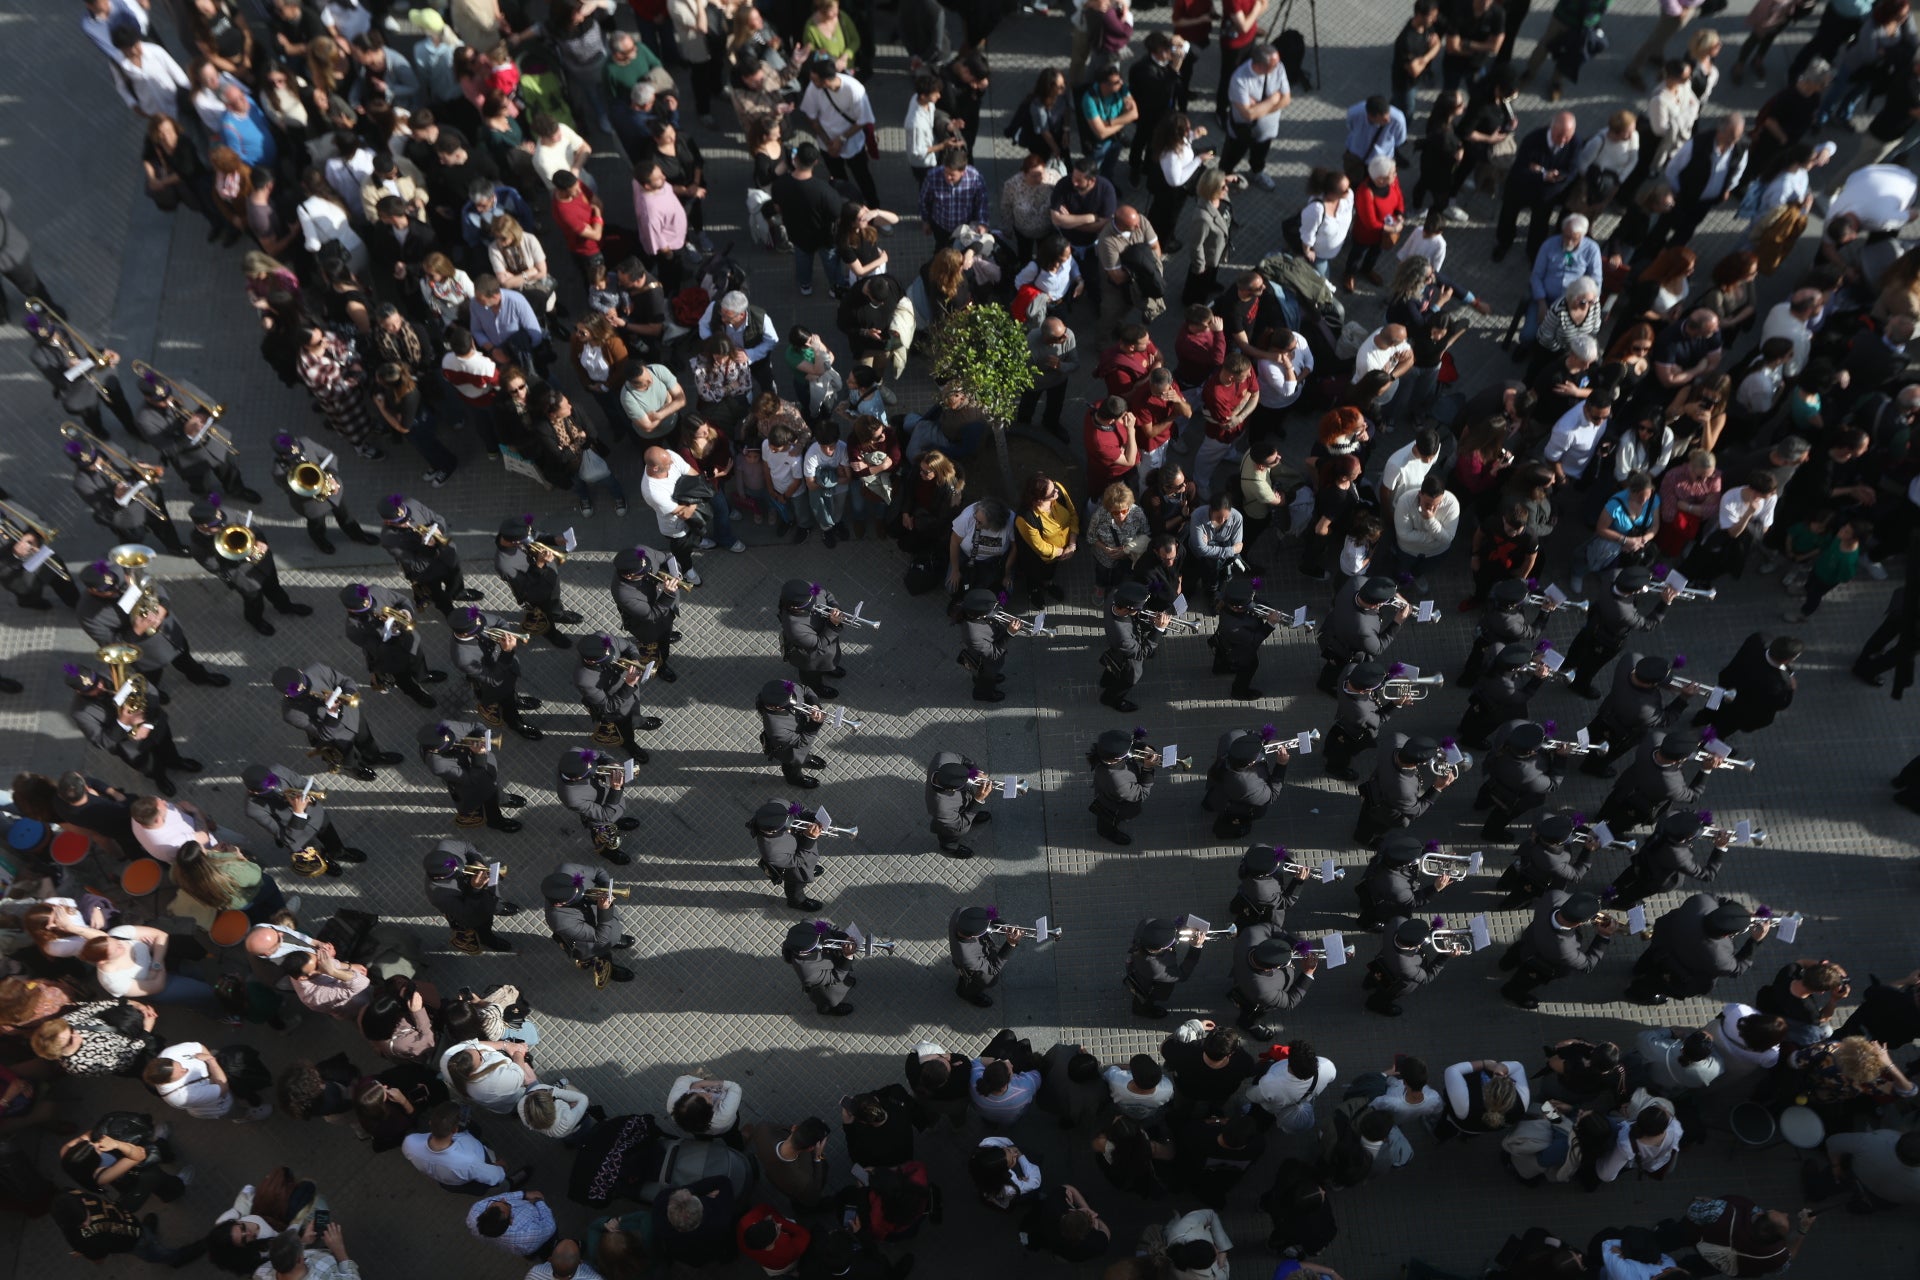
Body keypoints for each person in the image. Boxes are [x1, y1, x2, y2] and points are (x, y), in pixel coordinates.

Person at [1626, 893, 1771, 1005]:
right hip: (1679, 971)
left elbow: (1718, 899)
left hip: (1663, 941)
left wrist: (1737, 912)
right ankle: (1637, 993)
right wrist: (1755, 941)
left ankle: (1638, 969)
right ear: (1727, 934)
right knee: (1657, 984)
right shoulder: (1719, 957)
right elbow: (1737, 968)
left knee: (1650, 959)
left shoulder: (1701, 902)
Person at [1497, 890, 1618, 1009]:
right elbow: (1588, 965)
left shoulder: (1554, 896)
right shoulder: (1566, 949)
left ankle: (1505, 964)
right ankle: (1511, 992)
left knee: (1515, 953)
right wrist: (1604, 936)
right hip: (1541, 964)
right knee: (1525, 980)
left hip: (1529, 939)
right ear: (1579, 923)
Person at [542, 865, 635, 987]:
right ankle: (606, 965)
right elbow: (600, 937)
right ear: (560, 904)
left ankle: (614, 939)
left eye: (579, 888)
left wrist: (607, 890)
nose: (581, 892)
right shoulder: (560, 920)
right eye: (575, 896)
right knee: (601, 950)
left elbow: (598, 871)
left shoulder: (570, 872)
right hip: (590, 942)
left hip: (602, 921)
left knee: (612, 935)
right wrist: (604, 910)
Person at [1126, 916, 1206, 1018]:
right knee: (1143, 997)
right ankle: (1140, 1010)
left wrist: (1174, 928)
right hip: (1148, 982)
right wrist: (1195, 948)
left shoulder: (1146, 924)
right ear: (1163, 948)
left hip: (1134, 966)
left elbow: (1159, 929)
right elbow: (1182, 975)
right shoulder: (1156, 968)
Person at [1090, 727, 1157, 846]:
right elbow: (1141, 793)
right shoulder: (1117, 781)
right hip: (1115, 805)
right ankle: (1106, 833)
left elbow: (1130, 745)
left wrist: (1146, 749)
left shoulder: (1105, 750)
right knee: (1108, 820)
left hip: (1113, 790)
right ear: (1116, 759)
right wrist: (1148, 768)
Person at [469, 1188, 558, 1260]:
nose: (504, 1199)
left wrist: (524, 1194)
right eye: (507, 1204)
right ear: (511, 1221)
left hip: (520, 1248)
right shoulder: (528, 1235)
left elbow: (501, 1197)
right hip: (538, 1242)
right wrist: (539, 1202)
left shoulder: (475, 1211)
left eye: (494, 1202)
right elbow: (550, 1226)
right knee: (547, 1250)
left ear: (485, 1212)